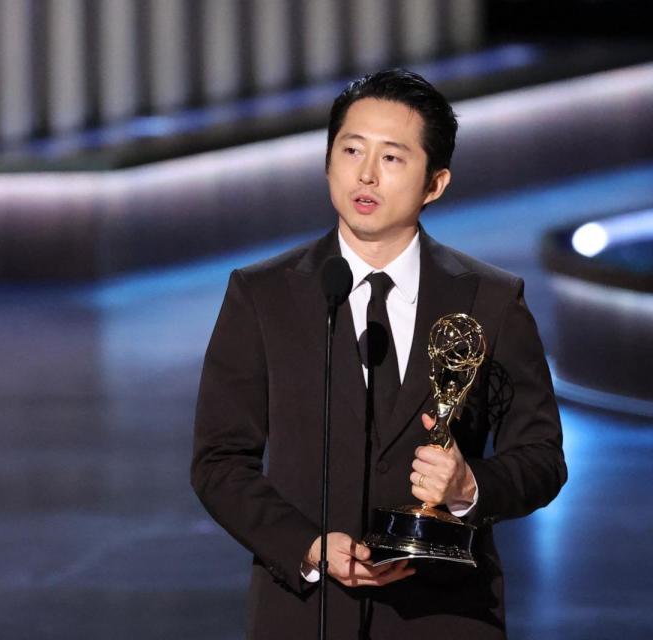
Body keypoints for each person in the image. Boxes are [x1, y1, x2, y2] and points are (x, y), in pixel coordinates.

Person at [191, 69, 566, 639]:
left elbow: (541, 458)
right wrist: (309, 547)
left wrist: (471, 488)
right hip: (309, 612)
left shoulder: (491, 301)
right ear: (327, 162)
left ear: (435, 183)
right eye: (351, 150)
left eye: (392, 158)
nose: (365, 174)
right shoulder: (263, 295)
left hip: (445, 614)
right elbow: (218, 461)